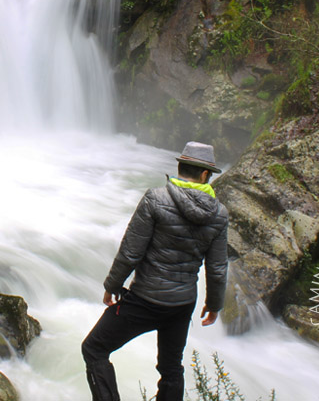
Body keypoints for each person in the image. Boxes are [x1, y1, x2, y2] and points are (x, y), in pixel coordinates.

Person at [81, 141, 229, 401]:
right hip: (182, 304)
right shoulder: (219, 214)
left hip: (145, 300)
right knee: (172, 369)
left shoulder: (155, 199)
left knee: (94, 348)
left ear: (180, 167)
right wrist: (214, 304)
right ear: (206, 175)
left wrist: (112, 286)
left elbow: (131, 251)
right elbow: (217, 268)